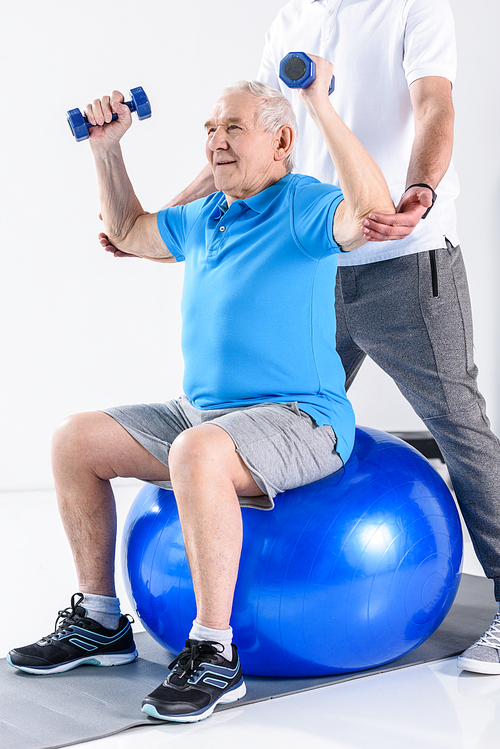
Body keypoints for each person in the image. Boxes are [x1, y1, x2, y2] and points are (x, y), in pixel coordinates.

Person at [7, 59, 395, 722]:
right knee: (75, 439)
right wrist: (108, 149)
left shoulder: (304, 205)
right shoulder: (208, 214)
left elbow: (373, 212)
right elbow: (130, 232)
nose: (216, 137)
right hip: (203, 416)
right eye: (210, 126)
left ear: (279, 142)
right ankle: (99, 619)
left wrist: (321, 105)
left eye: (234, 127)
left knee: (197, 452)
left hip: (300, 419)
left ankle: (215, 651)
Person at [158, 0, 500, 677]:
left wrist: (420, 191)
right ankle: (233, 610)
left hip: (406, 258)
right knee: (260, 426)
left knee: (458, 425)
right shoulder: (290, 20)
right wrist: (167, 216)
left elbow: (435, 105)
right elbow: (252, 136)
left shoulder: (415, 7)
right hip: (307, 258)